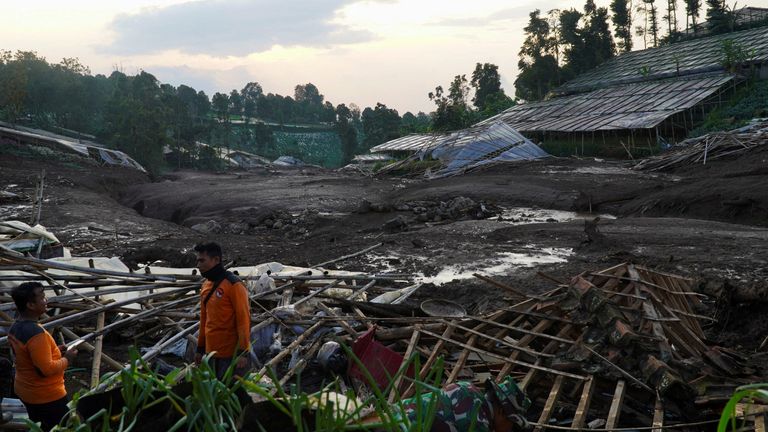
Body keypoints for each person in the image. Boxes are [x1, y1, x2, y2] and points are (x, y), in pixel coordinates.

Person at [8, 282, 78, 431]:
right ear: (31, 305)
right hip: (46, 397)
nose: (46, 301)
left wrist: (56, 351)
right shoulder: (36, 334)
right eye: (43, 297)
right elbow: (45, 370)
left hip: (25, 390)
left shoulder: (15, 327)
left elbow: (26, 357)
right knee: (60, 427)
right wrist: (68, 359)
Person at [193, 242, 251, 380]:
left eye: (202, 260)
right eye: (197, 260)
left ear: (216, 260)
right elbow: (204, 319)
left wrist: (243, 352)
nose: (198, 265)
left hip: (231, 355)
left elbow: (243, 320)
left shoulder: (234, 285)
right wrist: (200, 349)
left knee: (231, 395)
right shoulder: (206, 285)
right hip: (211, 353)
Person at [390, 376, 531, 432]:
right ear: (501, 412)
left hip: (394, 412)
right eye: (512, 426)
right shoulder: (478, 423)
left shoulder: (467, 387)